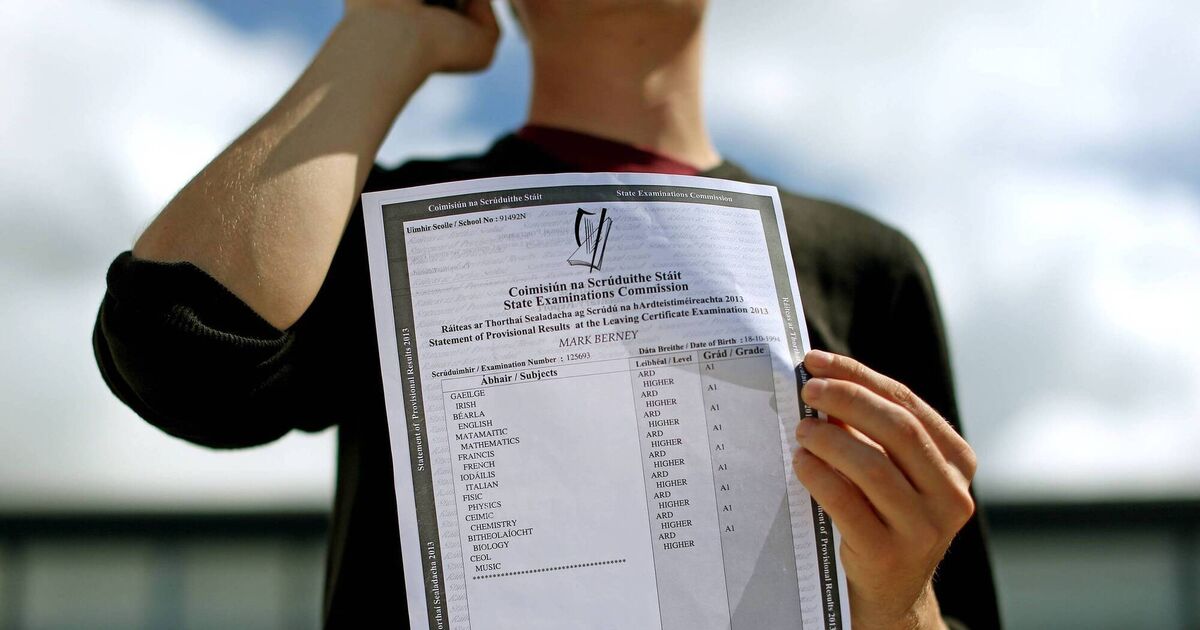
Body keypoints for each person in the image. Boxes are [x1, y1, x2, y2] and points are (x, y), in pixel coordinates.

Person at [92, 1, 1001, 628]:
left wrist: (900, 606)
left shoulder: (867, 267)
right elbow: (177, 341)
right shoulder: (377, 228)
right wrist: (384, 32)